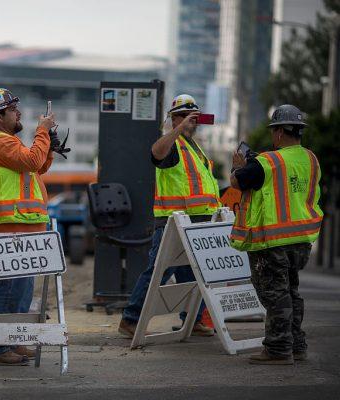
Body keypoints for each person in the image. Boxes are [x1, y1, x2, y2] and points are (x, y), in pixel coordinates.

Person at [118, 94, 219, 338]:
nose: (189, 121)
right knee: (157, 272)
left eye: (193, 116)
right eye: (183, 116)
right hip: (174, 221)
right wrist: (177, 130)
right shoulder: (172, 144)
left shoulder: (194, 148)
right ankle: (130, 319)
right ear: (173, 119)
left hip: (197, 220)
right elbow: (156, 153)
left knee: (193, 273)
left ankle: (192, 319)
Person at [230, 104, 323, 365]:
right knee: (291, 291)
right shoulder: (311, 159)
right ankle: (296, 345)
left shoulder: (268, 161)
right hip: (301, 240)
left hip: (273, 240)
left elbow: (239, 182)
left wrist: (237, 167)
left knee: (275, 294)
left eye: (274, 131)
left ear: (280, 132)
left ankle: (279, 349)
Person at [0, 88, 55, 365]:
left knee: (21, 290)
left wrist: (49, 144)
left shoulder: (8, 142)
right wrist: (42, 131)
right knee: (6, 288)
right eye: (12, 110)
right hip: (9, 227)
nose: (18, 113)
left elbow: (36, 167)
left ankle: (14, 340)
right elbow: (32, 160)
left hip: (25, 226)